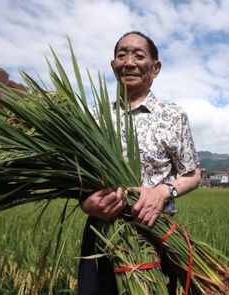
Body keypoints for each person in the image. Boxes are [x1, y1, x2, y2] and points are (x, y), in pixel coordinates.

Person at [77, 31, 201, 295]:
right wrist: (86, 203)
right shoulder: (95, 117)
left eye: (139, 55)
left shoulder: (173, 115)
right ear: (113, 66)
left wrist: (163, 192)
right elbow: (78, 177)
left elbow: (192, 174)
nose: (129, 62)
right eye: (121, 55)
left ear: (155, 68)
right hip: (102, 232)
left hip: (155, 231)